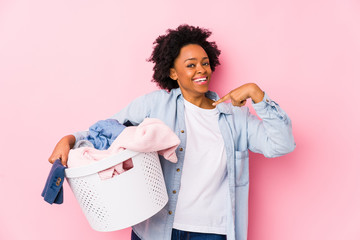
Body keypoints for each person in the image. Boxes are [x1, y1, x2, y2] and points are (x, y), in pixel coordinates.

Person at [48, 24, 295, 240]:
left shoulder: (235, 117)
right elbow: (105, 131)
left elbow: (281, 144)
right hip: (157, 229)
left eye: (205, 63)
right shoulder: (154, 105)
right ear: (173, 73)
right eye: (191, 65)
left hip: (212, 231)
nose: (202, 69)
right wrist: (69, 140)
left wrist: (257, 94)